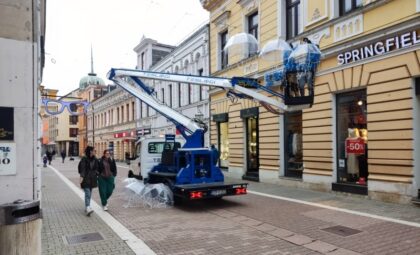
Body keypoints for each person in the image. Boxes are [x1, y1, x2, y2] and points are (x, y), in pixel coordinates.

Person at [78, 146, 99, 216]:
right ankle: (88, 207)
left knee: (89, 194)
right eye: (94, 150)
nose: (95, 152)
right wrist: (81, 177)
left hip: (92, 179)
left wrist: (97, 173)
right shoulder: (84, 159)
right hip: (86, 178)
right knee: (88, 193)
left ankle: (88, 207)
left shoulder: (95, 159)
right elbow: (82, 168)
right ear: (90, 151)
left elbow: (97, 168)